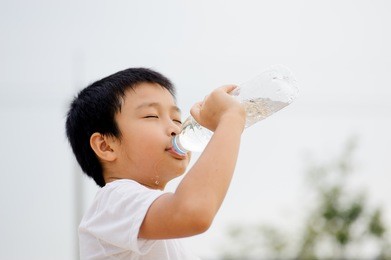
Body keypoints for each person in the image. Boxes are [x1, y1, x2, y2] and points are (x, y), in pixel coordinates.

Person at [65, 67, 246, 259]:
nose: (175, 129)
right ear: (106, 146)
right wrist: (230, 119)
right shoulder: (113, 200)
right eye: (151, 116)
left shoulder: (154, 223)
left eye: (177, 119)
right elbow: (193, 212)